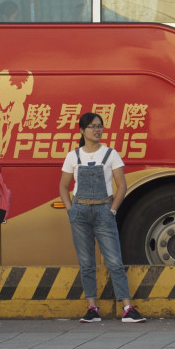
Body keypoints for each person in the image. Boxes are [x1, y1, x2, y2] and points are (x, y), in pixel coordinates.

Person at [58, 112, 146, 324]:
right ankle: (92, 308)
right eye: (91, 126)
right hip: (80, 212)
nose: (97, 130)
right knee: (86, 262)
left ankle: (127, 308)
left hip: (103, 211)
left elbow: (121, 185)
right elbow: (63, 186)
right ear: (82, 131)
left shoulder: (111, 154)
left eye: (100, 126)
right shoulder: (73, 156)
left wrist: (112, 209)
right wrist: (71, 211)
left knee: (114, 261)